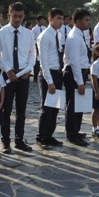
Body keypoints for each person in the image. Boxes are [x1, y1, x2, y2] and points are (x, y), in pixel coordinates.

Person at [0, 2, 36, 152]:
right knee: (6, 110)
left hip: (23, 76)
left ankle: (19, 140)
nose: (18, 19)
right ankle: (5, 141)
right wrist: (7, 69)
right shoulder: (1, 33)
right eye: (15, 16)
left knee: (21, 111)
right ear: (8, 15)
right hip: (7, 76)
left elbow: (32, 54)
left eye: (20, 16)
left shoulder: (29, 34)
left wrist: (28, 69)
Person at [36, 8, 65, 148]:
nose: (61, 21)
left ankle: (49, 135)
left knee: (55, 108)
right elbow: (43, 61)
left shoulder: (58, 34)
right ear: (50, 18)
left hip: (58, 73)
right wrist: (50, 81)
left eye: (62, 19)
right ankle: (41, 137)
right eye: (58, 18)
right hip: (48, 74)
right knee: (47, 108)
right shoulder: (45, 36)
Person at [63, 8, 92, 146]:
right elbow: (74, 61)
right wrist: (80, 82)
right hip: (74, 73)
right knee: (73, 106)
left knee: (79, 105)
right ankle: (72, 134)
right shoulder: (74, 37)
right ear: (78, 21)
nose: (88, 22)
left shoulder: (80, 34)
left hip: (80, 72)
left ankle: (76, 130)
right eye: (86, 20)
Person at [32, 15, 47, 82]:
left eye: (44, 20)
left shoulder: (45, 28)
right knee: (36, 63)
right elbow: (33, 39)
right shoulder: (34, 29)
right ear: (38, 21)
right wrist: (36, 48)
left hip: (43, 46)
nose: (43, 21)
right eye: (42, 20)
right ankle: (35, 77)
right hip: (36, 46)